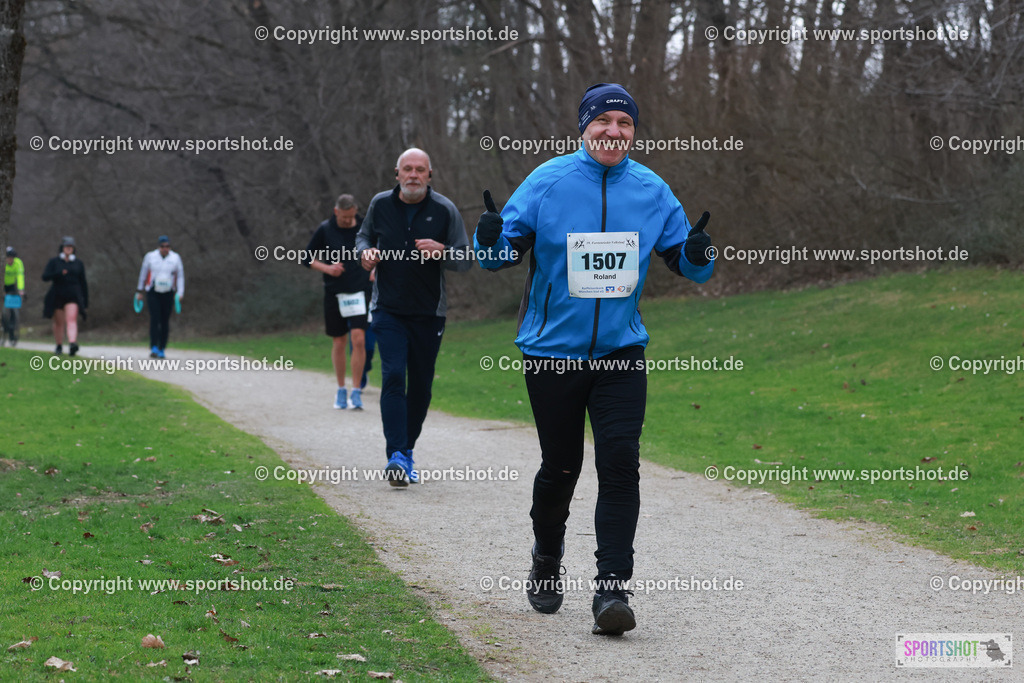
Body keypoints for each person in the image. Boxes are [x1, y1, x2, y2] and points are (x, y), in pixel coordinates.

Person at [474, 83, 715, 636]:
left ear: (634, 131)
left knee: (620, 462)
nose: (613, 131)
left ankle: (612, 590)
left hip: (621, 353)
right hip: (552, 354)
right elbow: (497, 255)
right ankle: (546, 557)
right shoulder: (548, 181)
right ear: (583, 128)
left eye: (624, 123)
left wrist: (700, 255)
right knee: (561, 467)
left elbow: (686, 261)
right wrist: (487, 240)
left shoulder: (652, 190)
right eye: (602, 121)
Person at [356, 148, 471, 486]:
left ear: (430, 176)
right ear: (397, 173)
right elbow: (362, 237)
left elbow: (466, 259)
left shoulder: (444, 210)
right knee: (393, 376)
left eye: (420, 169)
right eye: (408, 169)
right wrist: (364, 253)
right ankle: (396, 454)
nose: (413, 175)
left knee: (420, 385)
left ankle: (406, 452)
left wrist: (442, 251)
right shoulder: (380, 204)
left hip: (429, 313)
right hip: (387, 309)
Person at [301, 194, 373, 410]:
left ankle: (357, 391)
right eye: (342, 218)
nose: (346, 221)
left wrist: (375, 268)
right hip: (335, 292)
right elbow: (306, 257)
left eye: (349, 217)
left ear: (355, 211)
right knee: (339, 341)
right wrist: (327, 268)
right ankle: (341, 389)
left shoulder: (365, 226)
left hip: (360, 290)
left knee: (359, 339)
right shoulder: (326, 229)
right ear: (336, 212)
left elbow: (381, 249)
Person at [136, 235, 185, 358]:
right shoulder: (150, 257)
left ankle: (162, 348)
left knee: (164, 321)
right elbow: (143, 273)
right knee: (155, 318)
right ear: (159, 247)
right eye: (163, 246)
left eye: (167, 246)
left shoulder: (175, 258)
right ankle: (153, 346)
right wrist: (139, 290)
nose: (165, 248)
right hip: (153, 291)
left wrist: (180, 292)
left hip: (168, 292)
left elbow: (180, 276)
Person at [42, 236, 89, 356]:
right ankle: (59, 345)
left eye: (71, 247)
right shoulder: (54, 262)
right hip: (57, 294)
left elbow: (83, 282)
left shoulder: (78, 263)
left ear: (73, 249)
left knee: (71, 319)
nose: (69, 249)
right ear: (62, 248)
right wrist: (58, 273)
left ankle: (73, 343)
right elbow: (45, 277)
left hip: (73, 295)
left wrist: (85, 300)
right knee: (59, 322)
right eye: (66, 246)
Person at [3, 246, 25, 346]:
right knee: (3, 311)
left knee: (12, 308)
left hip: (11, 287)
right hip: (2, 285)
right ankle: (3, 323)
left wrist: (21, 290)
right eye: (8, 257)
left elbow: (20, 276)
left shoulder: (18, 263)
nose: (10, 259)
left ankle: (11, 330)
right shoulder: (2, 264)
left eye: (12, 257)